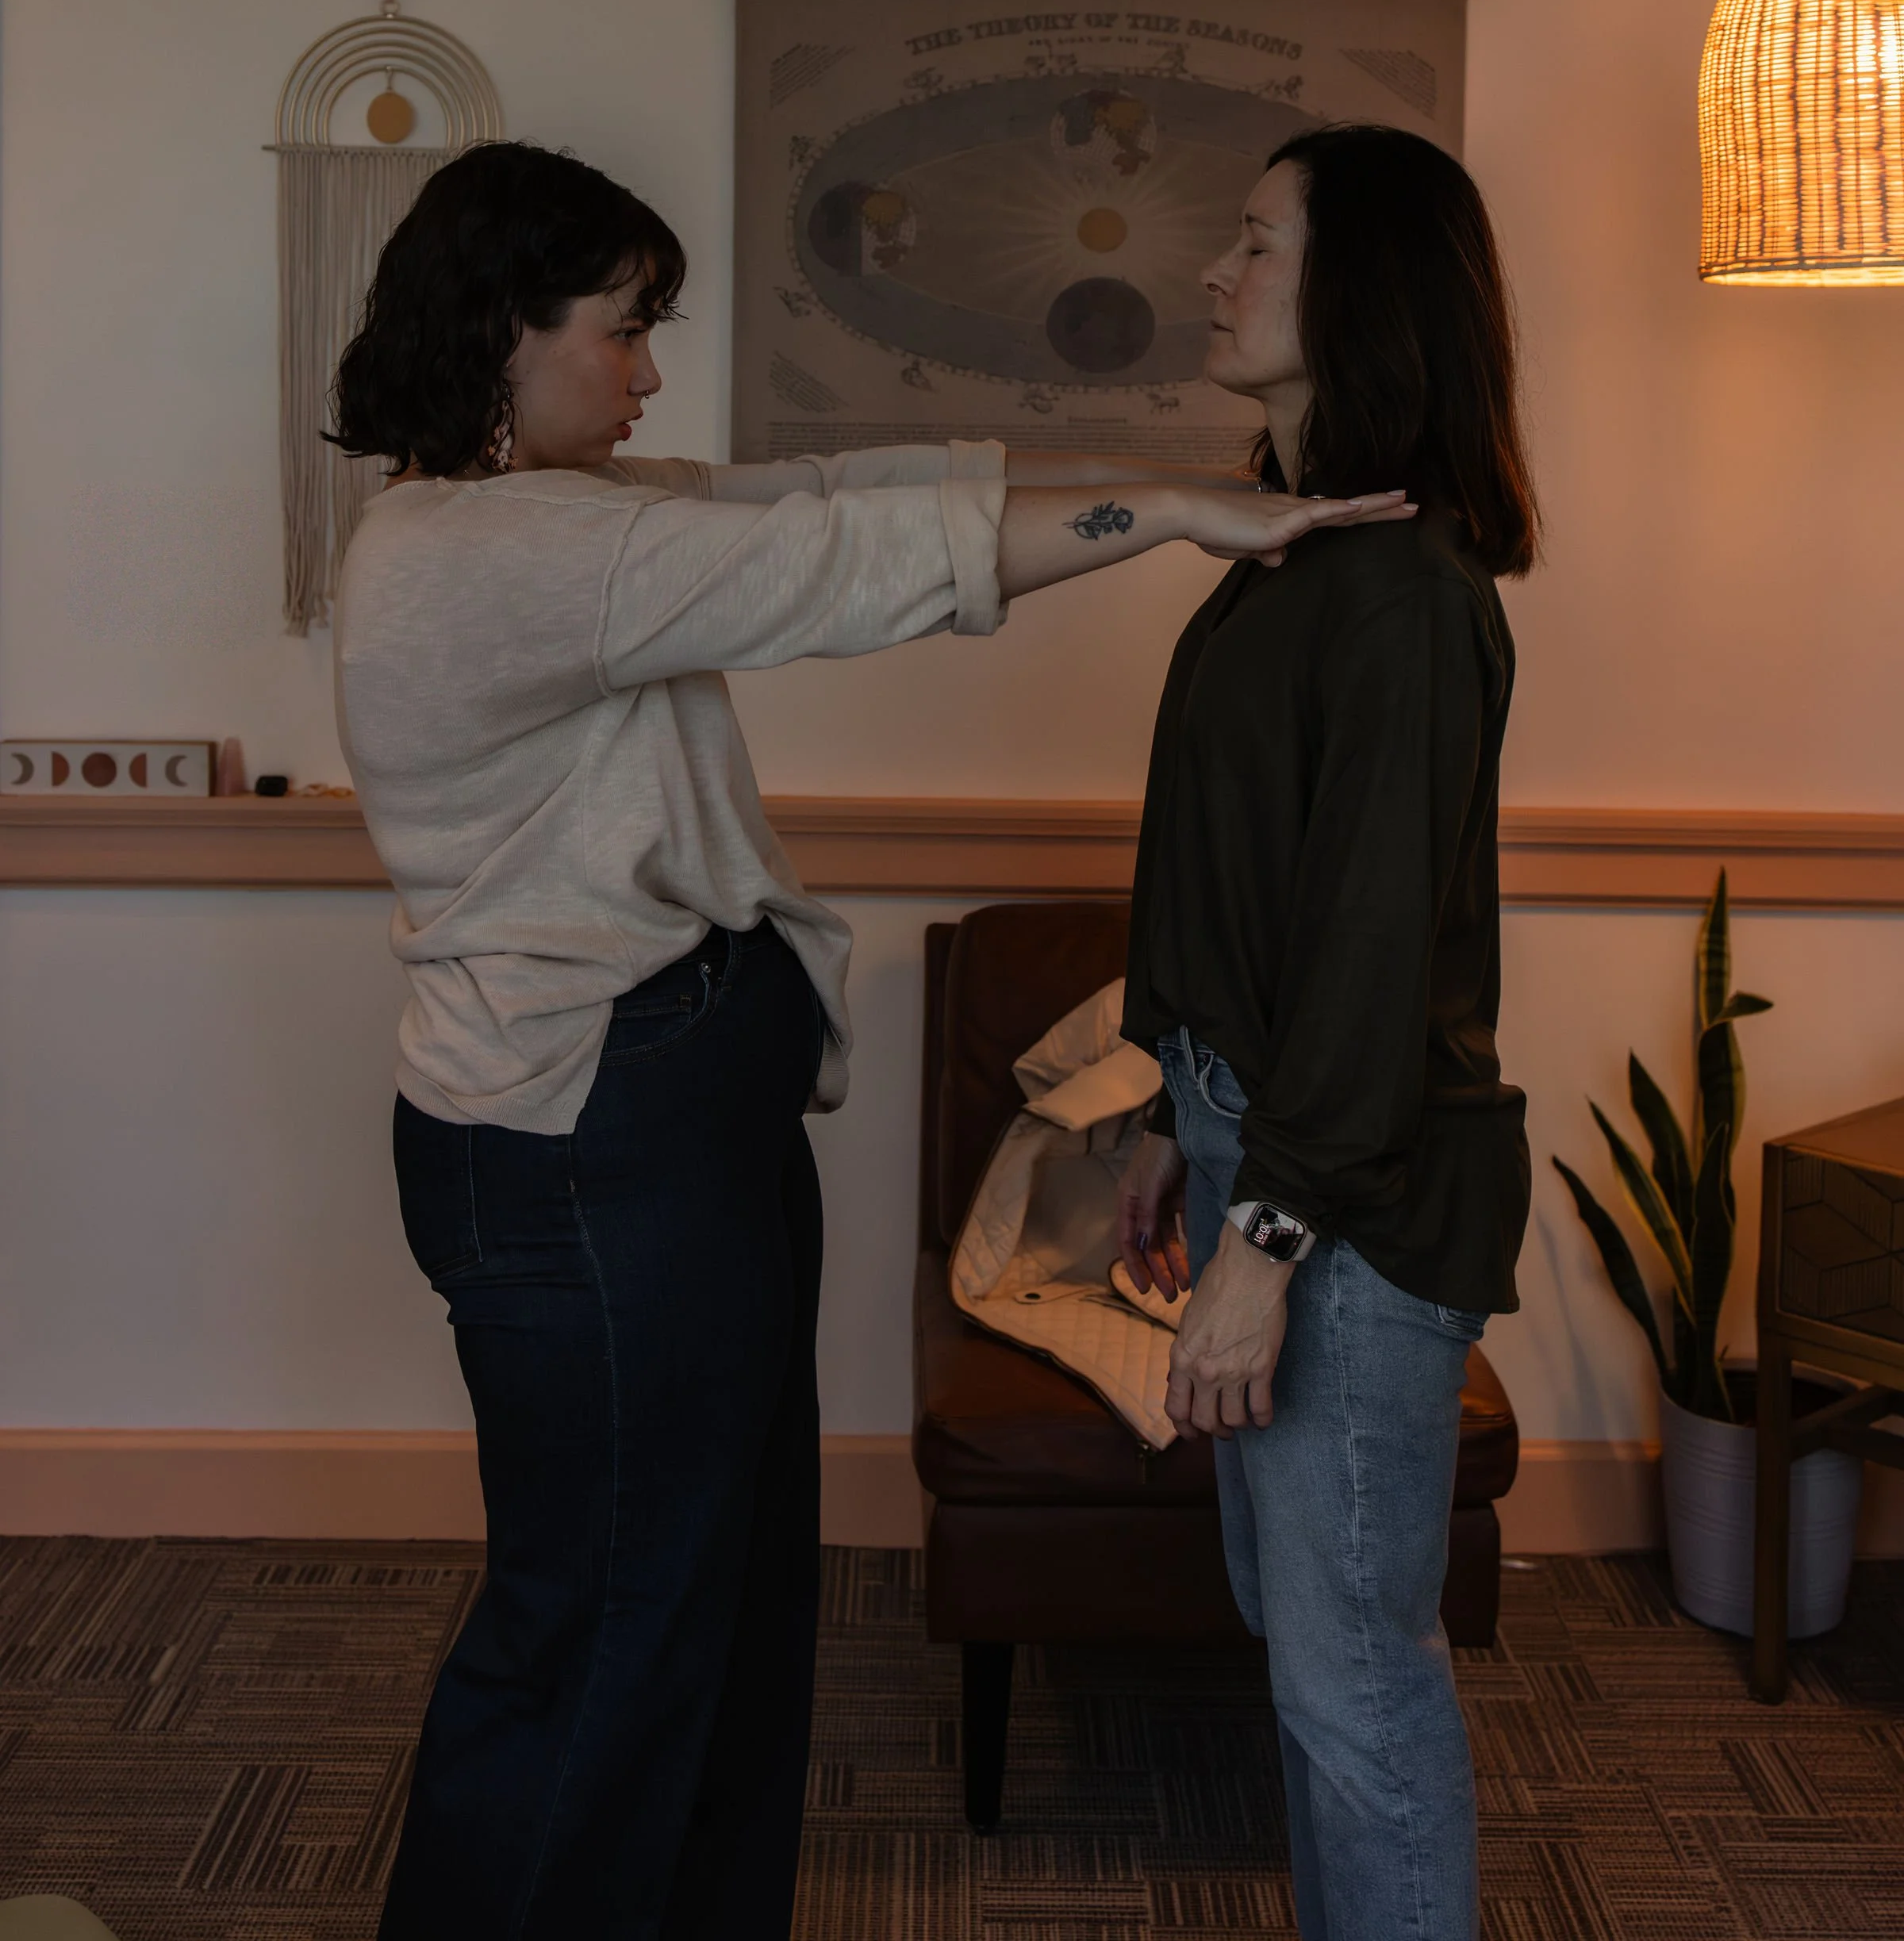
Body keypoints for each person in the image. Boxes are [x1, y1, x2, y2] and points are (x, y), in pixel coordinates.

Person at [328, 139, 1409, 1941]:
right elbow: (845, 560)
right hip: (592, 1158)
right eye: (623, 329)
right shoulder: (483, 554)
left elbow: (837, 488)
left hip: (673, 1135)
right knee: (601, 1634)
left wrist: (1170, 481)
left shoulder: (571, 515)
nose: (650, 370)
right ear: (504, 332)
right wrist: (1184, 519)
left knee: (725, 1614)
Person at [1116, 121, 1539, 1941]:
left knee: (1359, 1687)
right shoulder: (1292, 556)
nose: (1217, 272)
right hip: (1249, 1140)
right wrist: (1160, 1105)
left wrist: (1264, 1243)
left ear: (1360, 290)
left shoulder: (1407, 597)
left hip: (1348, 1203)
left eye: (1258, 243)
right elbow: (1222, 865)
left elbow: (1370, 959)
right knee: (1310, 1655)